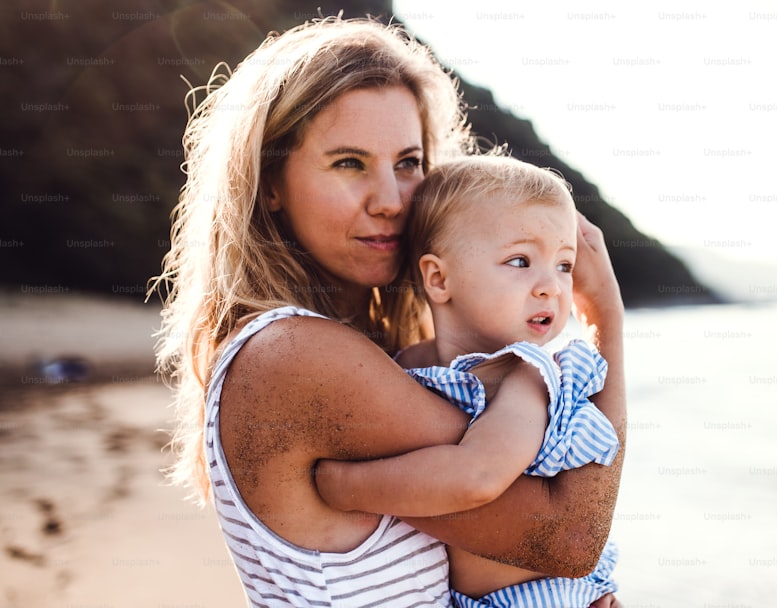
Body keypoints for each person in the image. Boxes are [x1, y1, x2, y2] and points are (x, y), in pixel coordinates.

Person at [151, 16, 626, 608]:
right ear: (271, 183)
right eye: (349, 163)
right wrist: (607, 317)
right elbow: (569, 535)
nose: (391, 200)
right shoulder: (296, 356)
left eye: (408, 162)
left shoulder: (379, 355)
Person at [319, 155, 621, 607]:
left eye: (564, 265)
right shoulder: (403, 363)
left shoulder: (526, 377)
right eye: (521, 260)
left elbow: (477, 477)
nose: (551, 287)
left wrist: (343, 485)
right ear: (438, 278)